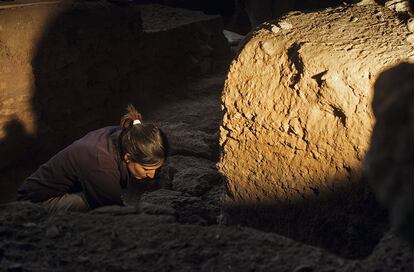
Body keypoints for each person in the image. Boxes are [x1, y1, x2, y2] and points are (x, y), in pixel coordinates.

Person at [16, 104, 169, 212]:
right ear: (128, 157)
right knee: (98, 205)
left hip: (73, 185)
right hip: (36, 203)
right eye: (146, 169)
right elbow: (114, 212)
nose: (152, 175)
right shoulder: (100, 162)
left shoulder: (127, 135)